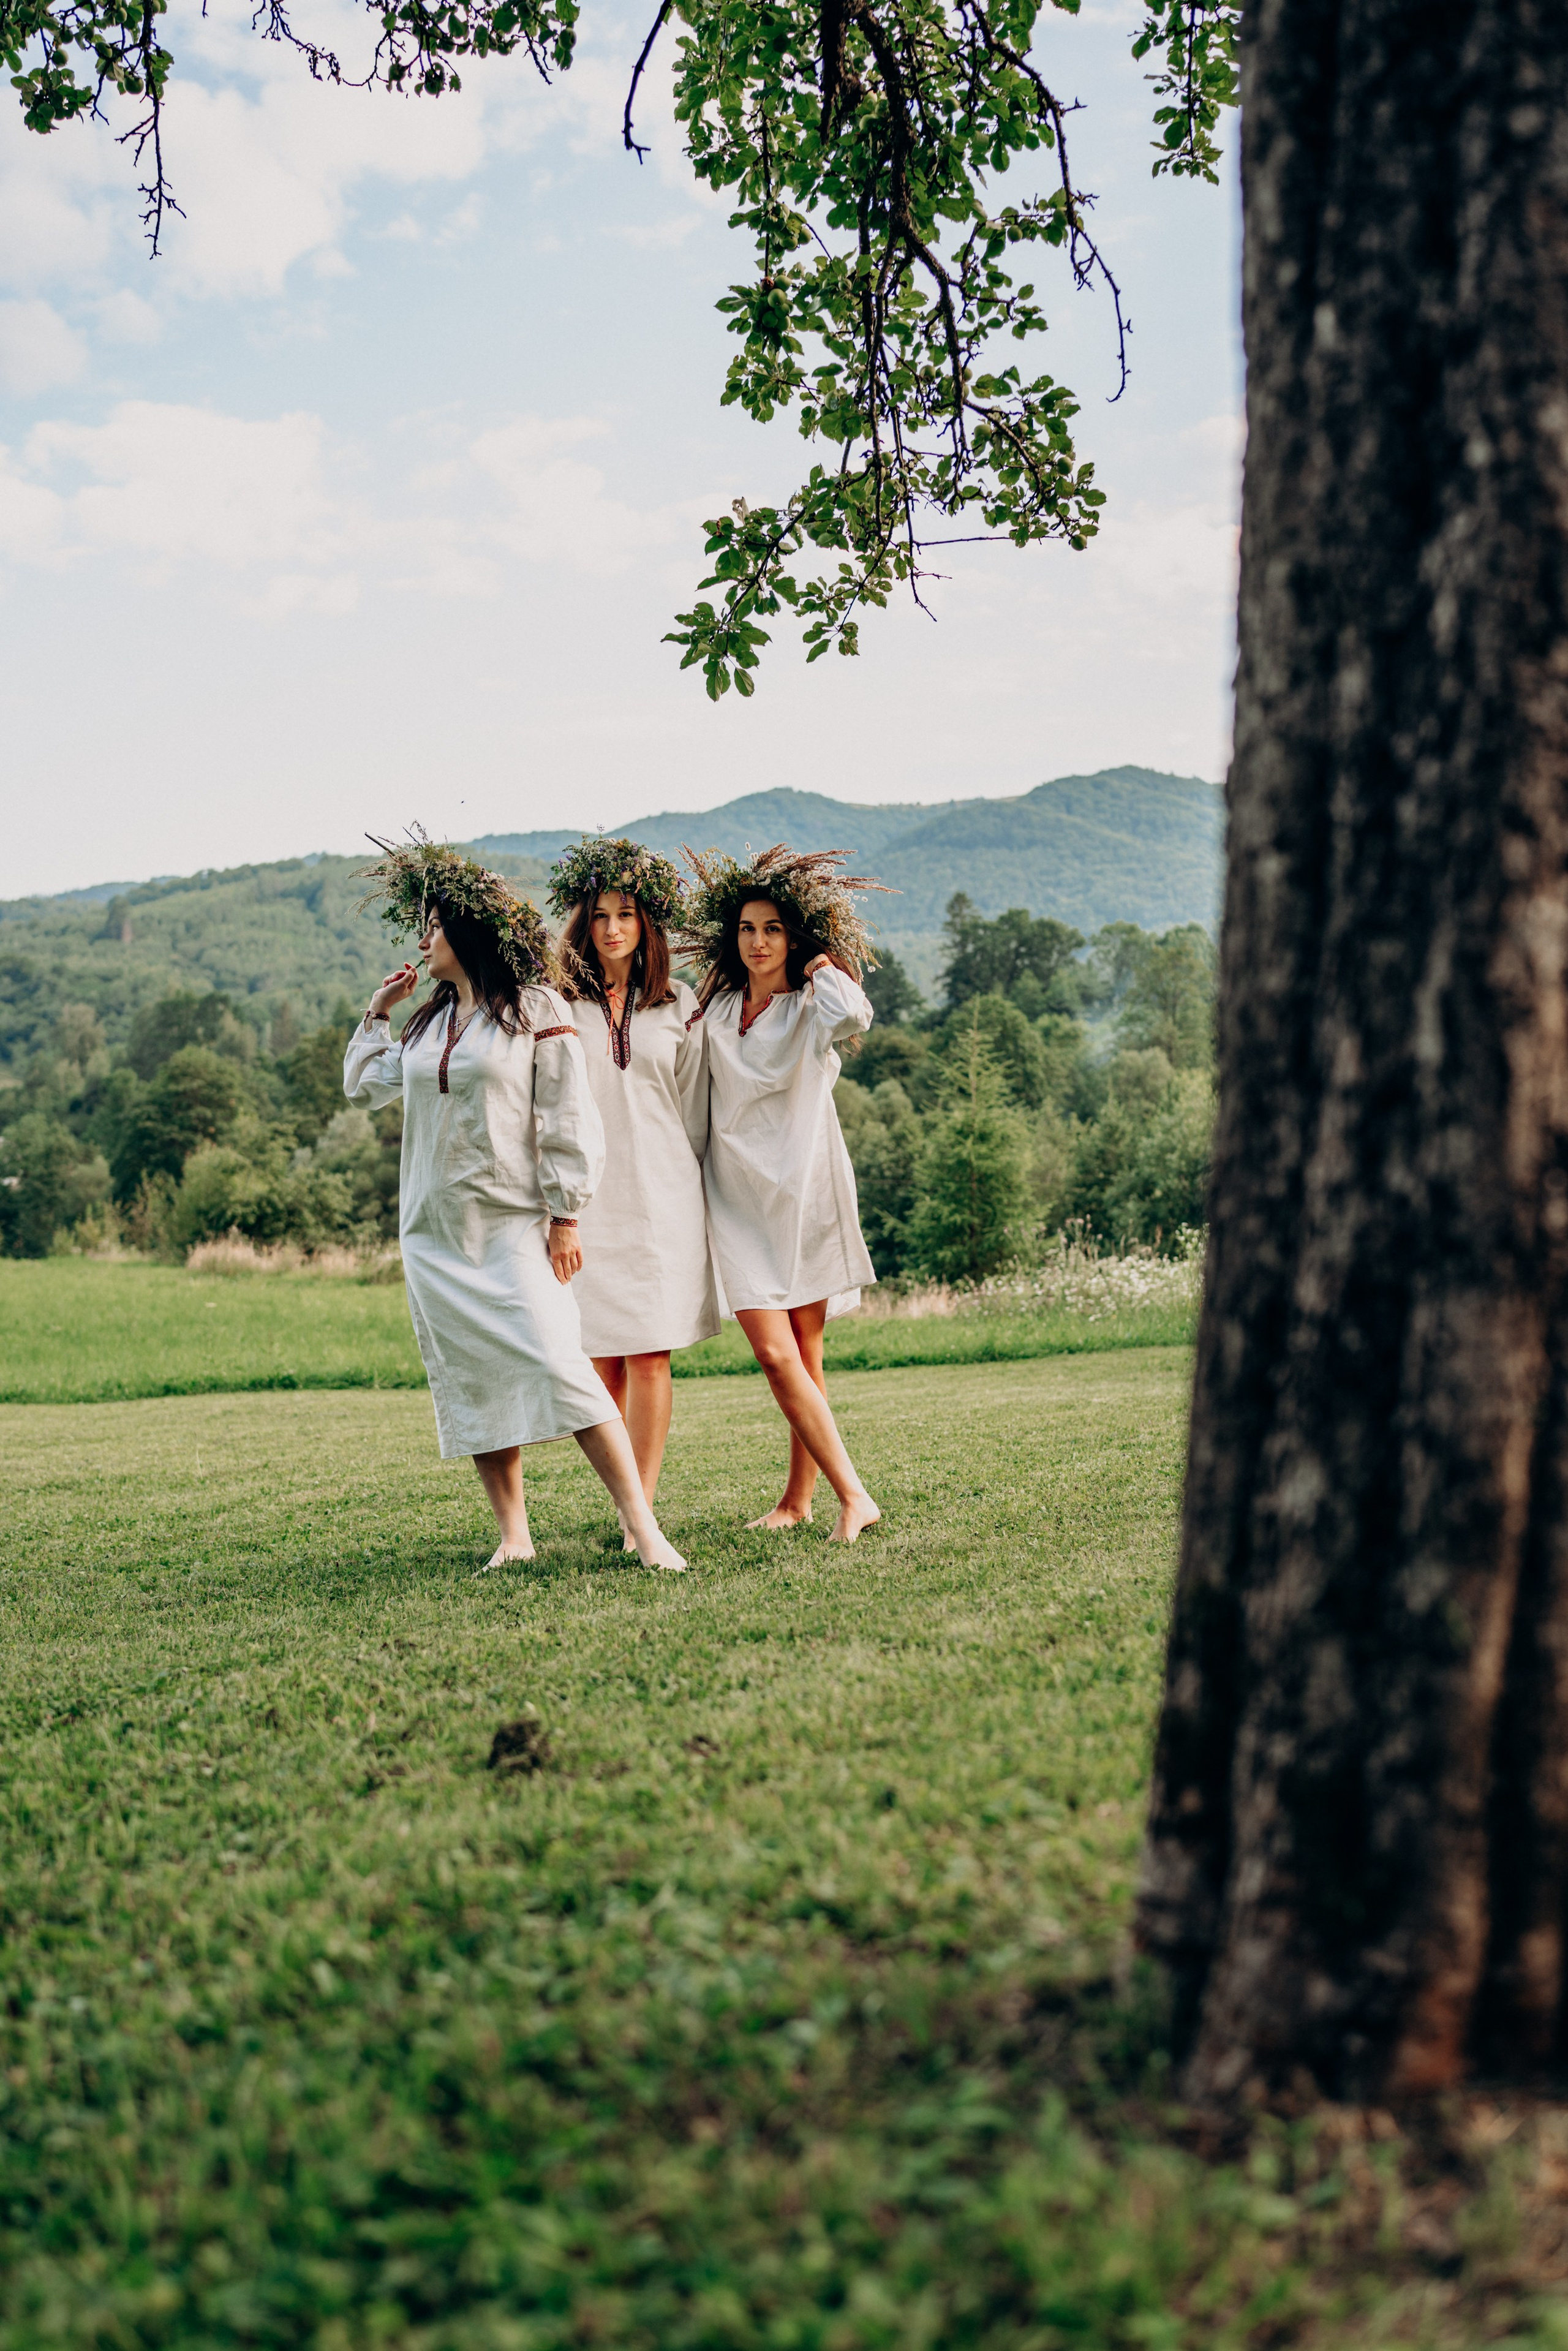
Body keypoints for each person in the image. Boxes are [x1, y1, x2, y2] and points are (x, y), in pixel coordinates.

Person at [345, 832, 687, 1572]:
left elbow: (569, 1117)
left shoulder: (535, 1008)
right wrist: (377, 1010)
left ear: (467, 932)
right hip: (436, 1234)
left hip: (512, 1227)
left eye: (433, 927)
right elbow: (365, 1084)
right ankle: (514, 1535)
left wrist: (566, 1215)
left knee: (562, 1364)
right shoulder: (427, 1022)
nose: (425, 940)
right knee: (475, 1380)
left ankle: (645, 1528)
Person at [683, 843, 888, 1543]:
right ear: (731, 937)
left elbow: (856, 1014)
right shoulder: (715, 1012)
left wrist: (824, 964)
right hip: (735, 1202)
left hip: (802, 1192)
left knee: (803, 1354)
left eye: (772, 929)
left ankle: (809, 1498)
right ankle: (845, 1495)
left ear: (792, 937)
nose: (758, 941)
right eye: (747, 929)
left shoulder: (811, 1010)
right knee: (776, 1354)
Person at [548, 837, 718, 1545]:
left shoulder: (678, 1003)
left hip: (663, 1198)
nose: (613, 929)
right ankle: (627, 1499)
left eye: (627, 915)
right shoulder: (556, 1004)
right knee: (596, 1359)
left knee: (650, 1352)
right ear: (582, 925)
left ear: (648, 926)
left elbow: (695, 1108)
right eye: (600, 916)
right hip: (587, 1202)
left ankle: (637, 1510)